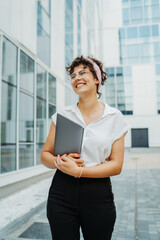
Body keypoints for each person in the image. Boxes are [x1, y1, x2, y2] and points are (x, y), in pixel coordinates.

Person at [41, 55, 130, 240]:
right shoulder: (62, 115)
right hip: (61, 194)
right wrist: (59, 162)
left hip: (98, 195)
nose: (76, 78)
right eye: (73, 76)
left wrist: (80, 171)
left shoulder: (115, 117)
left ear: (97, 79)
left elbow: (116, 165)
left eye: (83, 72)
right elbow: (45, 155)